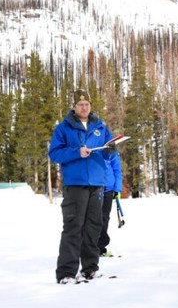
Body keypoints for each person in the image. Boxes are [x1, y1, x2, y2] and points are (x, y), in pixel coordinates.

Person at [48, 90, 117, 284]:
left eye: (87, 104)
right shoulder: (63, 128)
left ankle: (90, 269)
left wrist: (111, 151)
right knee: (73, 227)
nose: (84, 107)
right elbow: (54, 154)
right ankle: (67, 273)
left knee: (93, 228)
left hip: (97, 184)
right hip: (75, 184)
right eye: (80, 104)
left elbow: (107, 153)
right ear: (74, 107)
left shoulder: (100, 127)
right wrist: (76, 152)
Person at [98, 152, 122, 256]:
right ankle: (91, 247)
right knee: (93, 218)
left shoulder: (112, 152)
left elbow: (117, 170)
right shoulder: (93, 147)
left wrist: (117, 189)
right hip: (94, 188)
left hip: (108, 189)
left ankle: (100, 247)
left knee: (104, 218)